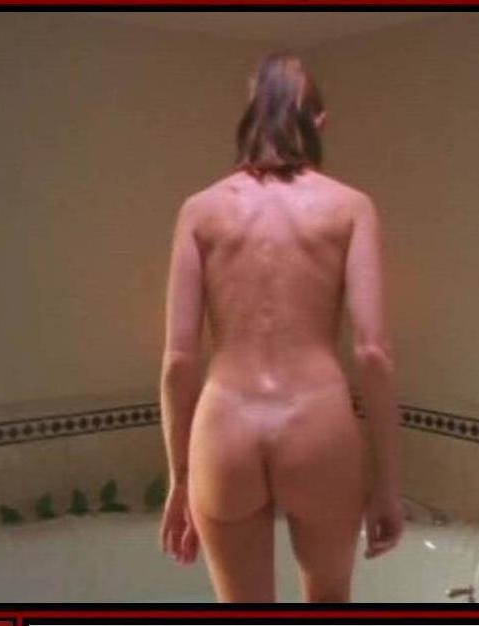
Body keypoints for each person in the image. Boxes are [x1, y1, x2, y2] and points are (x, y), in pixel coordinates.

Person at [159, 51, 404, 603]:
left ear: (252, 116)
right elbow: (373, 352)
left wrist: (179, 479)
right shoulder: (351, 208)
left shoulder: (199, 211)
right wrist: (388, 485)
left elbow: (178, 359)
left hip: (225, 424)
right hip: (317, 423)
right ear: (320, 123)